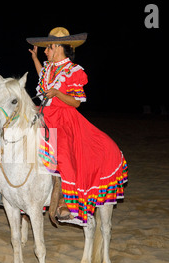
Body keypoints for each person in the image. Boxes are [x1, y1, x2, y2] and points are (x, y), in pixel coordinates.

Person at [26, 27, 128, 225]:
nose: (46, 51)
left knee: (63, 153)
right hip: (46, 114)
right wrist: (35, 59)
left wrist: (57, 94)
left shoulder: (74, 71)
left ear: (58, 47)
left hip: (65, 119)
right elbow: (44, 81)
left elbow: (76, 102)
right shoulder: (49, 67)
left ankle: (67, 202)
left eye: (48, 48)